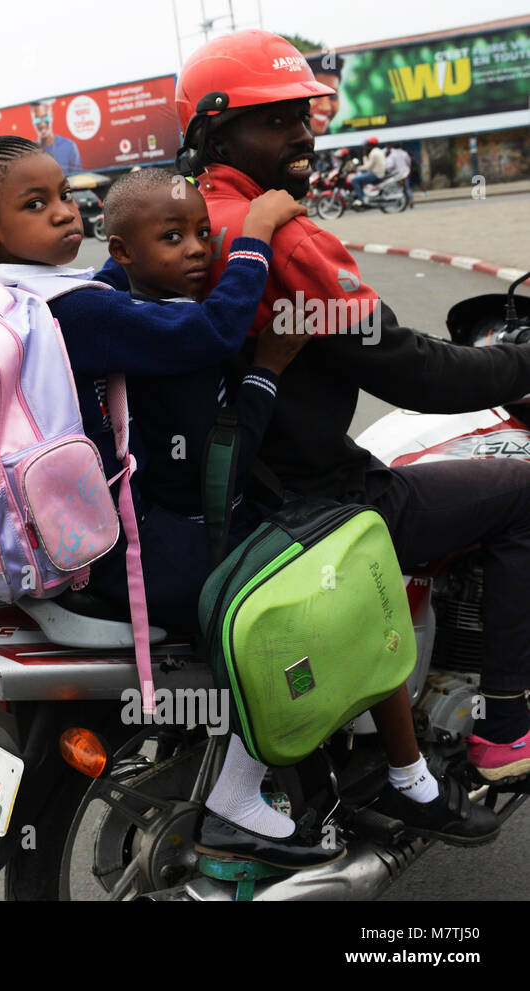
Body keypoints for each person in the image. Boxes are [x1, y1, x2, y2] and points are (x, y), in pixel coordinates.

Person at [0, 126, 362, 867]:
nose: (66, 213)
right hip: (114, 554)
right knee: (308, 575)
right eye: (38, 204)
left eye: (65, 195)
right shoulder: (82, 310)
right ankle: (237, 790)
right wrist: (253, 236)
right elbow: (213, 329)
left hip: (36, 548)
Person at [177, 28, 530, 820]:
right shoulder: (285, 234)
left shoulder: (183, 220)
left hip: (226, 489)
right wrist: (520, 365)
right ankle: (505, 726)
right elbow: (410, 368)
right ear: (213, 131)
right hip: (309, 498)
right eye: (274, 120)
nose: (300, 132)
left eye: (303, 114)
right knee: (520, 491)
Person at [29, 99, 82, 175]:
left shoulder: (69, 147)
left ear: (52, 116)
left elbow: (78, 180)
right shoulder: (29, 153)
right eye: (37, 120)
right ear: (32, 121)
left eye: (45, 118)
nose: (42, 124)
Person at [350, 137, 388, 203]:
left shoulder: (373, 153)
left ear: (371, 145)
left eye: (367, 145)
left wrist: (357, 167)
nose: (366, 146)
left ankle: (361, 199)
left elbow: (367, 167)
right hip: (379, 173)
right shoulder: (379, 151)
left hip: (375, 174)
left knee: (354, 180)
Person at [386, 143, 414, 208]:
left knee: (397, 189)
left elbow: (390, 165)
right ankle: (411, 200)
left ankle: (398, 203)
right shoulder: (405, 153)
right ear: (400, 147)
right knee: (407, 188)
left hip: (397, 175)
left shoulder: (392, 155)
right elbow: (409, 163)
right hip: (405, 173)